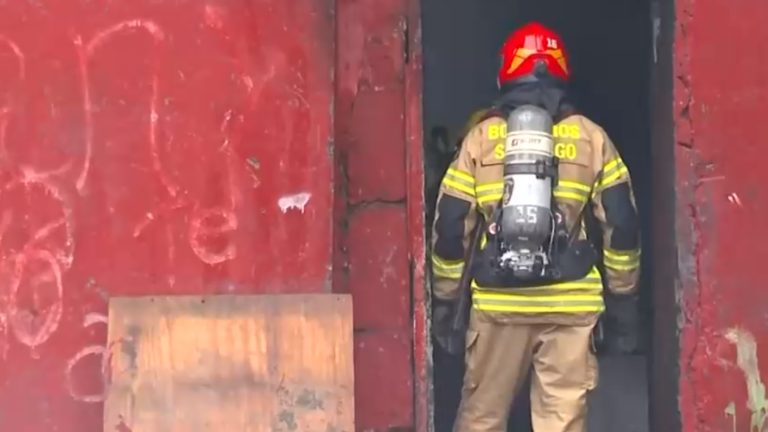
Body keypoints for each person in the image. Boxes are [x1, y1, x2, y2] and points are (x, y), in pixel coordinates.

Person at [430, 21, 641, 432]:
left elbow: (452, 228)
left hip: (498, 304)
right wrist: (624, 303)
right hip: (571, 305)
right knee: (561, 421)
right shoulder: (592, 138)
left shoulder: (480, 139)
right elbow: (623, 225)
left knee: (482, 418)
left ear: (505, 72)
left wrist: (445, 302)